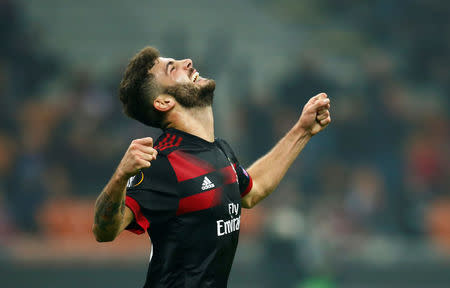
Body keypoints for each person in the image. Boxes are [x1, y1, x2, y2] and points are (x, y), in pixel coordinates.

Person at [92, 46, 331, 288]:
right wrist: (121, 176)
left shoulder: (220, 150)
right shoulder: (162, 162)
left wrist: (302, 131)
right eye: (171, 68)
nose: (188, 61)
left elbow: (254, 189)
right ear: (163, 102)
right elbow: (105, 232)